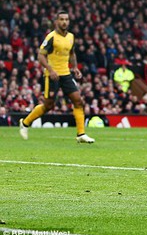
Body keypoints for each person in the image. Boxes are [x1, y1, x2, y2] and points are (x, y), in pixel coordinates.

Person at [19, 11, 95, 143]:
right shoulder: (51, 37)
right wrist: (50, 69)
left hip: (66, 74)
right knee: (48, 105)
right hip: (51, 75)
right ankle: (25, 123)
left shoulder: (71, 37)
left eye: (66, 19)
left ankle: (81, 134)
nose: (64, 22)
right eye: (61, 19)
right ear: (56, 21)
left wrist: (75, 67)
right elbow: (40, 56)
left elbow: (72, 53)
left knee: (78, 101)